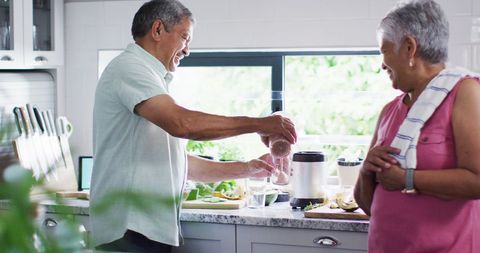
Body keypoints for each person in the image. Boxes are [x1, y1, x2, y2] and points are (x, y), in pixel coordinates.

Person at [90, 0, 297, 252]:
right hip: (127, 229)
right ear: (157, 30)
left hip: (144, 229)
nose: (187, 50)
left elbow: (178, 163)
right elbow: (183, 124)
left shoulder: (152, 79)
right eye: (184, 37)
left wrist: (248, 169)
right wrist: (260, 123)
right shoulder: (129, 68)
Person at [353, 0, 480, 252]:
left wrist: (406, 178)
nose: (382, 64)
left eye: (384, 51)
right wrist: (367, 170)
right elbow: (369, 205)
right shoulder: (389, 111)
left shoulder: (464, 93)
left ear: (409, 48)